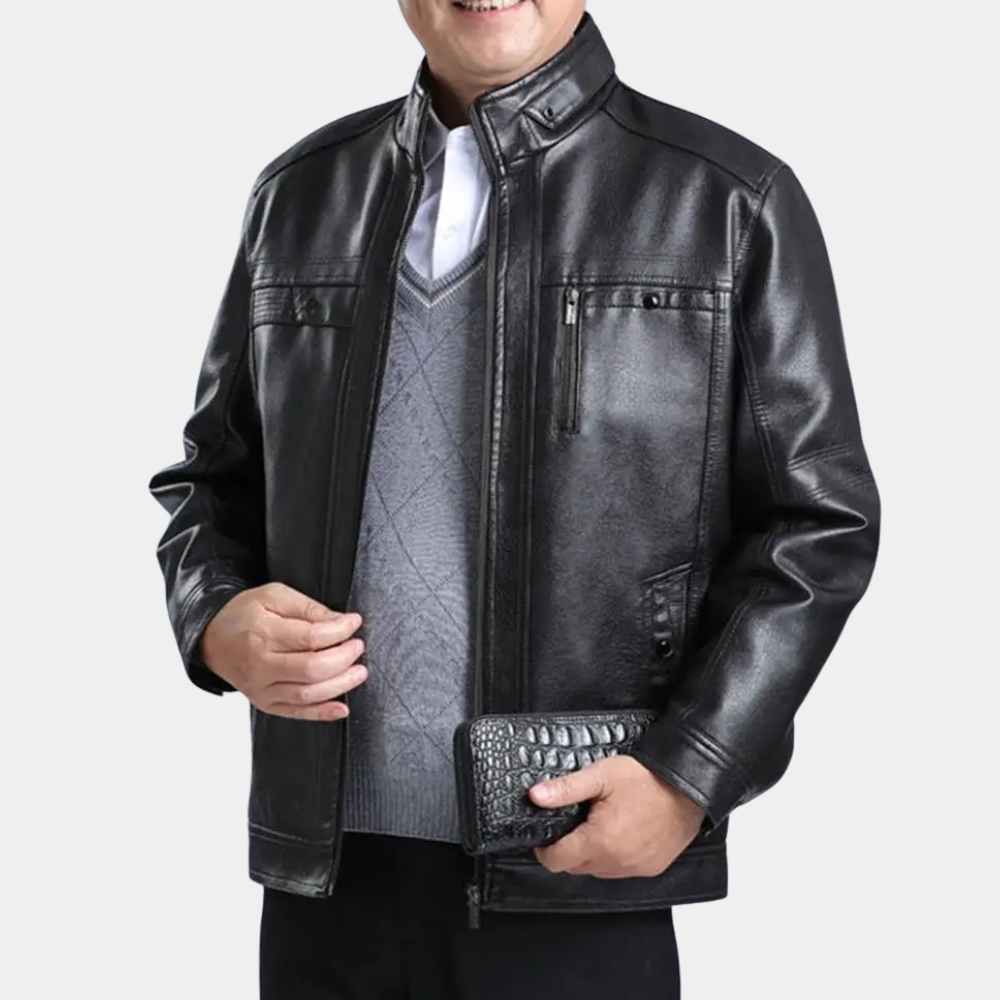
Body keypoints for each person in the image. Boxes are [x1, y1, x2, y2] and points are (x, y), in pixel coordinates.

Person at [148, 2, 881, 997]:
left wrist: (688, 773)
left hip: (574, 865)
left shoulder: (724, 199)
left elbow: (819, 525)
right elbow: (212, 476)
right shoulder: (300, 195)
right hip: (325, 880)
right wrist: (215, 619)